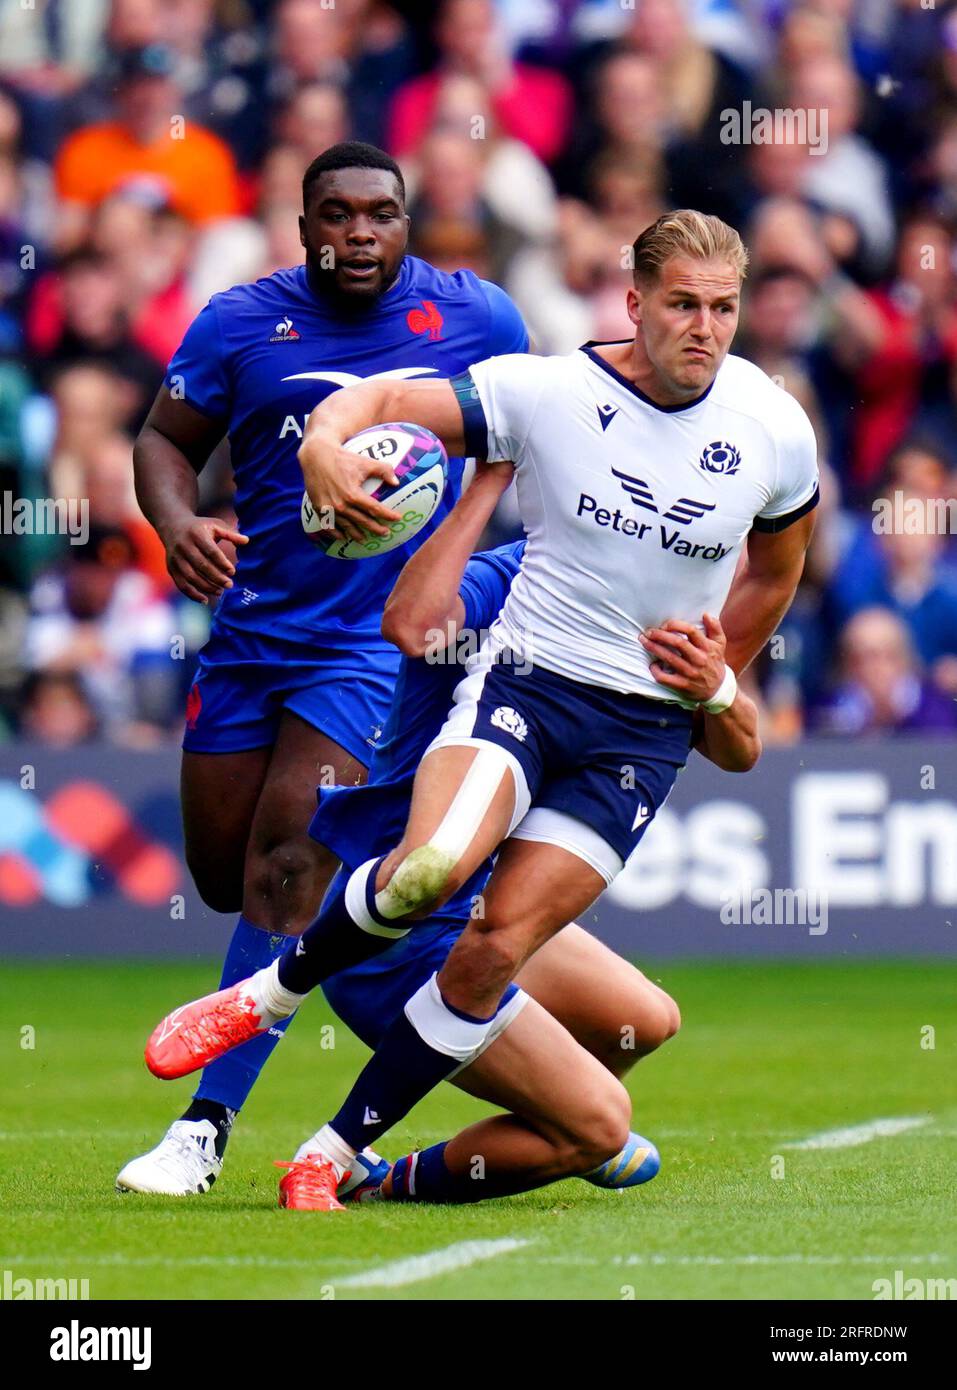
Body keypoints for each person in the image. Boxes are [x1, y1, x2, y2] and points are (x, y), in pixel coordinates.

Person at [144, 209, 819, 1205]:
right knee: (430, 879)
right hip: (507, 735)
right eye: (683, 304)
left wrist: (718, 671)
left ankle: (369, 1163)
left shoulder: (770, 430)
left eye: (724, 308)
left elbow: (776, 580)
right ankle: (295, 1057)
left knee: (638, 1028)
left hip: (627, 740)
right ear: (635, 306)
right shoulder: (539, 453)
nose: (705, 327)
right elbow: (412, 618)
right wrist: (358, 451)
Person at [135, 462, 759, 1206]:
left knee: (644, 1021)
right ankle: (359, 1164)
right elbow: (413, 623)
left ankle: (500, 1120)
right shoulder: (517, 579)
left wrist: (717, 687)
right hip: (398, 925)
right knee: (597, 1130)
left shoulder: (657, 623)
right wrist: (480, 487)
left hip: (484, 907)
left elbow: (738, 747)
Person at [117, 141, 528, 1195]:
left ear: (408, 220)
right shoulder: (240, 323)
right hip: (253, 633)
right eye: (336, 215)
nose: (359, 232)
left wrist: (460, 565)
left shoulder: (476, 318)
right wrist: (176, 524)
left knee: (286, 866)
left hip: (369, 644)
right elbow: (164, 438)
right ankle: (425, 999)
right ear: (303, 227)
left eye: (380, 214)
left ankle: (203, 1129)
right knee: (227, 878)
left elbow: (526, 439)